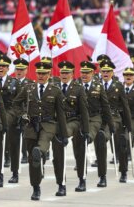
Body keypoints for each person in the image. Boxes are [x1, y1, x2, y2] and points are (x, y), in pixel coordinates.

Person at [13, 62, 67, 201]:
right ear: (36, 74)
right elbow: (16, 103)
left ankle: (60, 183)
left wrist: (64, 134)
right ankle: (36, 187)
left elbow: (61, 114)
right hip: (31, 126)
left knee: (41, 146)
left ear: (49, 74)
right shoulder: (29, 88)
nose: (41, 76)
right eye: (39, 73)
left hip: (49, 125)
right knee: (33, 159)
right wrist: (22, 115)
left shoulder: (55, 90)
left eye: (44, 73)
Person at [52, 61, 89, 196]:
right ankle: (61, 184)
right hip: (58, 122)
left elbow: (84, 111)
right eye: (62, 72)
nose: (64, 75)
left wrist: (86, 130)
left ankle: (82, 179)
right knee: (57, 151)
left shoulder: (78, 88)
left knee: (80, 152)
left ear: (72, 74)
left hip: (74, 121)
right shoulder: (54, 87)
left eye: (67, 73)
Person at [100, 59, 132, 183]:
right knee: (100, 144)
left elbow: (125, 107)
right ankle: (102, 176)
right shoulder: (97, 85)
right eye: (103, 71)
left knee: (120, 145)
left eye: (108, 71)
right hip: (100, 118)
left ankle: (123, 171)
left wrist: (128, 126)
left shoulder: (118, 86)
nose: (106, 73)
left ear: (112, 72)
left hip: (115, 118)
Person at [0, 54, 20, 187]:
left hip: (10, 115)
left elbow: (19, 103)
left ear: (8, 68)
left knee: (14, 145)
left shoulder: (14, 83)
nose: (1, 68)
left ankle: (14, 172)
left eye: (4, 66)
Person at [122, 67, 134, 178]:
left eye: (130, 75)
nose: (128, 76)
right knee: (123, 142)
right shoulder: (119, 88)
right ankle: (123, 171)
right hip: (121, 119)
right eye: (126, 74)